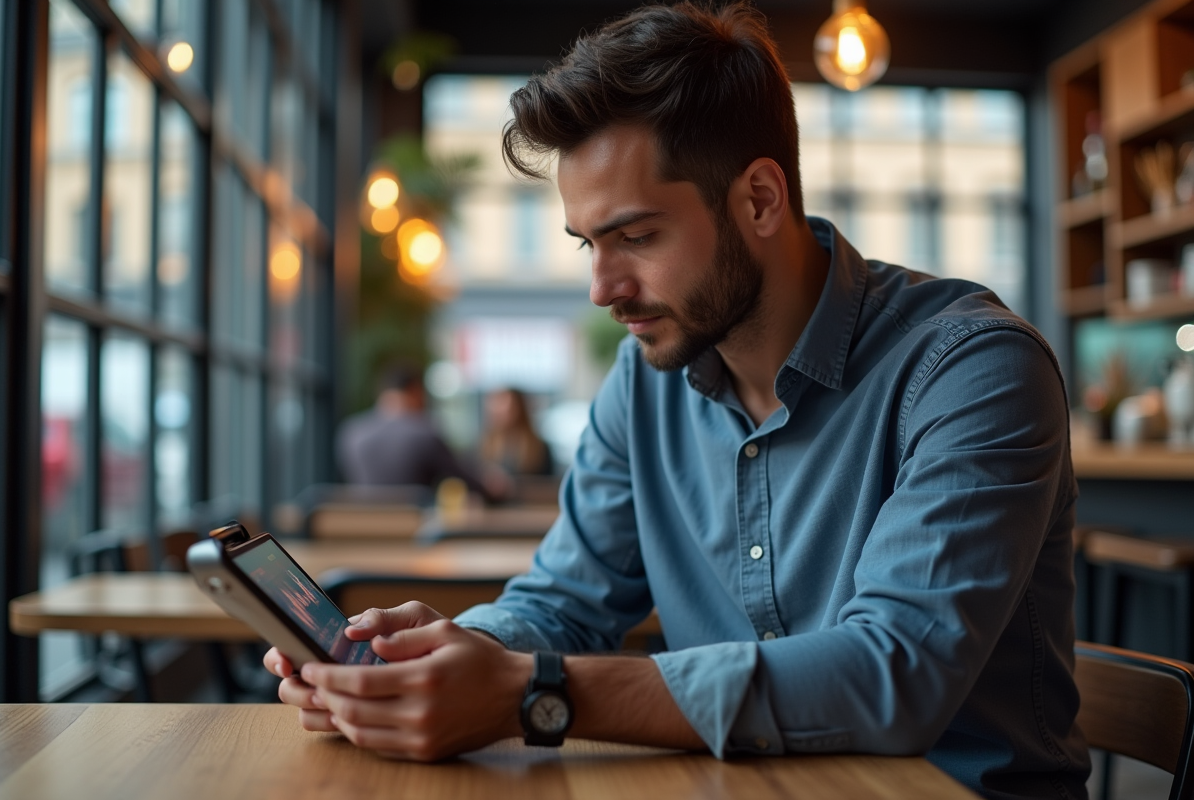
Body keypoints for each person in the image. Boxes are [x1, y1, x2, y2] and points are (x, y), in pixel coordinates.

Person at [267, 5, 1088, 798]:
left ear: (760, 199)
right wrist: (450, 659)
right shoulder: (643, 379)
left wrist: (532, 692)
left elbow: (894, 672)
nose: (601, 288)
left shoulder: (972, 369)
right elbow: (565, 600)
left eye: (636, 236)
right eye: (589, 244)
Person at [336, 363, 485, 492]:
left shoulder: (351, 432)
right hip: (416, 523)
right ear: (414, 391)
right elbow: (461, 477)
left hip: (361, 522)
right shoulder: (423, 432)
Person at [480, 388, 553, 477]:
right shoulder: (485, 445)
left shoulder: (539, 448)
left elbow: (546, 484)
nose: (502, 411)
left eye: (508, 407)